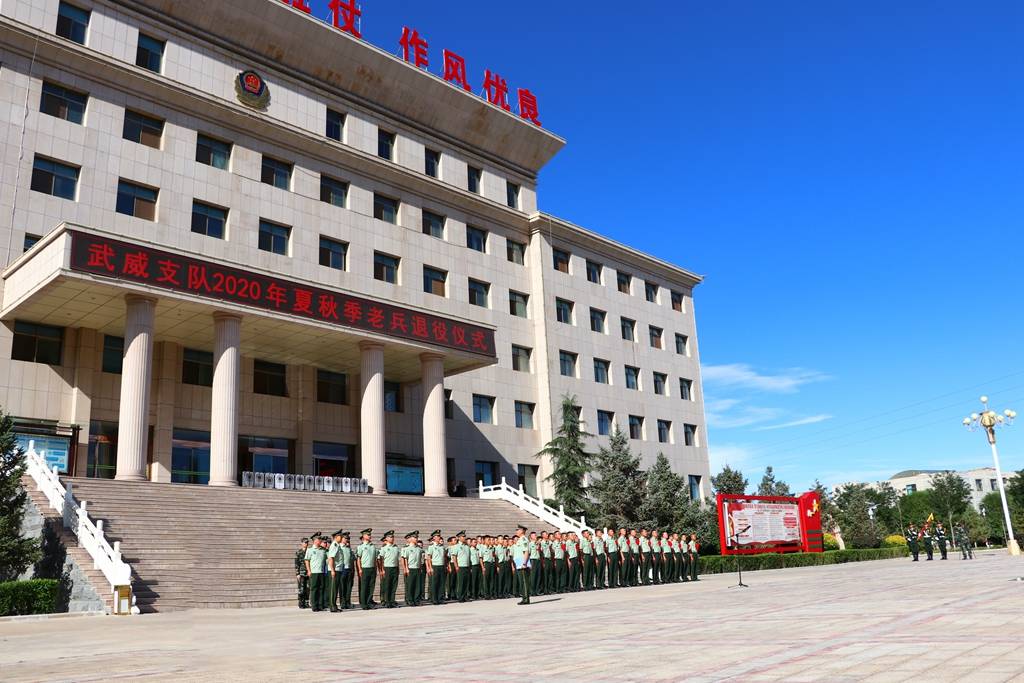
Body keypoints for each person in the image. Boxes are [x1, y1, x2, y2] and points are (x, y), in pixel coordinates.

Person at [355, 528, 378, 610]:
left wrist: (375, 568)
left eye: (370, 534)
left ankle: (369, 602)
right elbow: (358, 558)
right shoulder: (361, 547)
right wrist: (360, 569)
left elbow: (375, 558)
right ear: (364, 536)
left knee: (371, 586)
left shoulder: (373, 546)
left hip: (372, 568)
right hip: (364, 568)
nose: (370, 536)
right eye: (368, 535)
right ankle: (364, 603)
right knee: (364, 586)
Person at [305, 535, 328, 612]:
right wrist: (309, 570)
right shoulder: (310, 550)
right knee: (314, 589)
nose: (320, 541)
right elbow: (307, 560)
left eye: (320, 540)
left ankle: (320, 605)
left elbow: (326, 560)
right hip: (314, 572)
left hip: (321, 572)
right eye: (319, 540)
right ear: (314, 541)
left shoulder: (323, 550)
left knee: (321, 589)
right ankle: (314, 606)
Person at [400, 531, 423, 607]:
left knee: (417, 585)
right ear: (410, 539)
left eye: (417, 537)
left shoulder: (419, 549)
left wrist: (420, 567)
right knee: (410, 585)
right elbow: (404, 559)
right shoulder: (406, 549)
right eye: (415, 537)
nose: (416, 539)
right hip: (410, 568)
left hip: (417, 568)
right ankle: (410, 600)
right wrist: (405, 568)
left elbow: (419, 559)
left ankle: (416, 600)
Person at [378, 530, 400, 608]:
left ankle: (392, 600)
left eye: (393, 537)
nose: (392, 538)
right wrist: (382, 569)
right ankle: (387, 601)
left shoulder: (396, 548)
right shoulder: (384, 548)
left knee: (394, 585)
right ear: (386, 538)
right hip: (387, 568)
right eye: (390, 537)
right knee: (387, 585)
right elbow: (380, 559)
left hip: (394, 568)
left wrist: (398, 567)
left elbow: (397, 559)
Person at [426, 530, 447, 605]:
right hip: (435, 566)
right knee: (435, 583)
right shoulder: (431, 547)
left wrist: (445, 566)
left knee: (441, 583)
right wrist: (430, 567)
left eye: (439, 536)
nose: (439, 537)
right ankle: (434, 599)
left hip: (441, 566)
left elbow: (444, 558)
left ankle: (440, 598)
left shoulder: (442, 547)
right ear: (434, 537)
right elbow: (428, 558)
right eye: (437, 536)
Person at [513, 524, 531, 605]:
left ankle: (526, 599)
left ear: (522, 531)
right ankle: (524, 598)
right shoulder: (520, 539)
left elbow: (526, 551)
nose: (516, 531)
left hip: (522, 564)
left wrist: (524, 563)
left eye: (518, 530)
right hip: (519, 563)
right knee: (522, 582)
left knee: (524, 582)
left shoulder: (523, 539)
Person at [326, 530, 344, 612]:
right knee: (333, 589)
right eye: (340, 536)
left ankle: (334, 605)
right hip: (334, 570)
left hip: (338, 569)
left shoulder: (338, 545)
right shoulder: (334, 545)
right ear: (336, 537)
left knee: (335, 588)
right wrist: (332, 570)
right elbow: (331, 558)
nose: (342, 538)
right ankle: (332, 606)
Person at [454, 531, 472, 602]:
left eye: (464, 536)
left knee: (466, 582)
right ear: (459, 538)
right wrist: (456, 566)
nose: (464, 538)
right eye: (463, 536)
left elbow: (469, 557)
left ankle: (465, 596)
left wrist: (469, 566)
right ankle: (460, 597)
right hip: (460, 566)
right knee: (461, 583)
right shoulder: (456, 546)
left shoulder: (467, 547)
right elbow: (454, 557)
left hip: (467, 566)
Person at [338, 532, 354, 609]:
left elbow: (352, 558)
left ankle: (348, 602)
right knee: (342, 587)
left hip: (349, 569)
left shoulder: (348, 548)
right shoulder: (338, 547)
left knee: (348, 587)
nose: (347, 540)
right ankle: (343, 603)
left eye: (348, 538)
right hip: (342, 569)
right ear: (341, 539)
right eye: (345, 538)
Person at [295, 538, 309, 609]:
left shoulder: (309, 551)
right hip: (302, 573)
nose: (306, 544)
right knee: (301, 589)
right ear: (301, 543)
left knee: (307, 588)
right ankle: (301, 603)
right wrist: (297, 574)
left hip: (308, 572)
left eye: (307, 543)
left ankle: (306, 602)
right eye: (304, 543)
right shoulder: (299, 552)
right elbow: (297, 563)